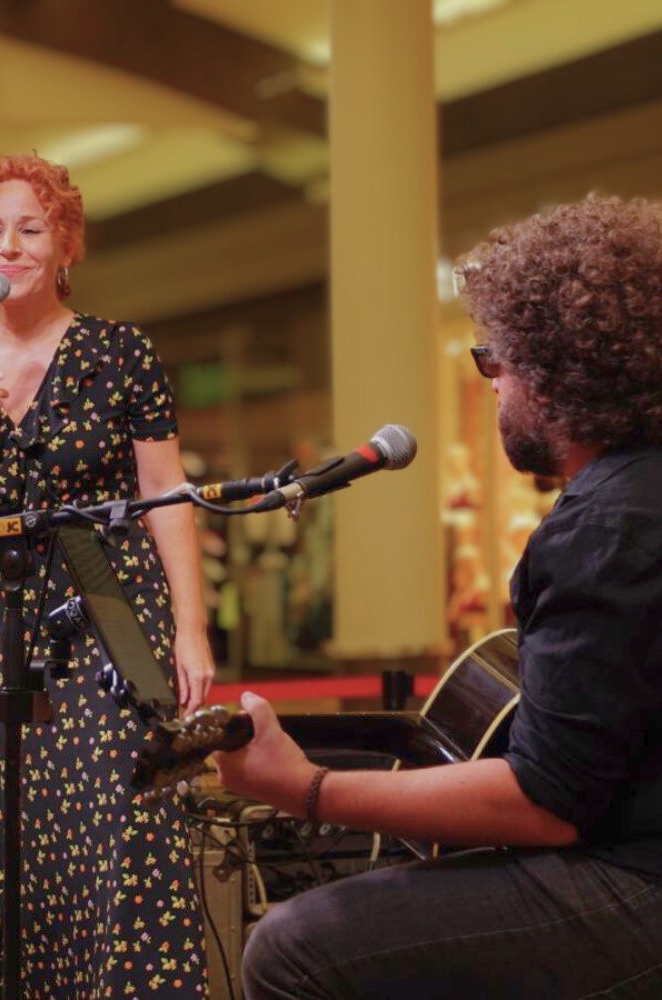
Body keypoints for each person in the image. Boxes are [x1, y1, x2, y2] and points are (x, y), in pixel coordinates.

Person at [216, 194, 662, 999]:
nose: (492, 385)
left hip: (644, 884)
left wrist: (304, 787)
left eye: (496, 360)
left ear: (559, 373)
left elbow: (547, 802)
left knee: (296, 946)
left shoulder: (603, 529)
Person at [0, 153, 214, 997]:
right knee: (32, 828)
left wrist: (190, 629)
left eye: (30, 229)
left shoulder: (121, 351)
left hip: (113, 605)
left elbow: (167, 495)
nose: (7, 246)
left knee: (120, 812)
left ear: (66, 246)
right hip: (14, 615)